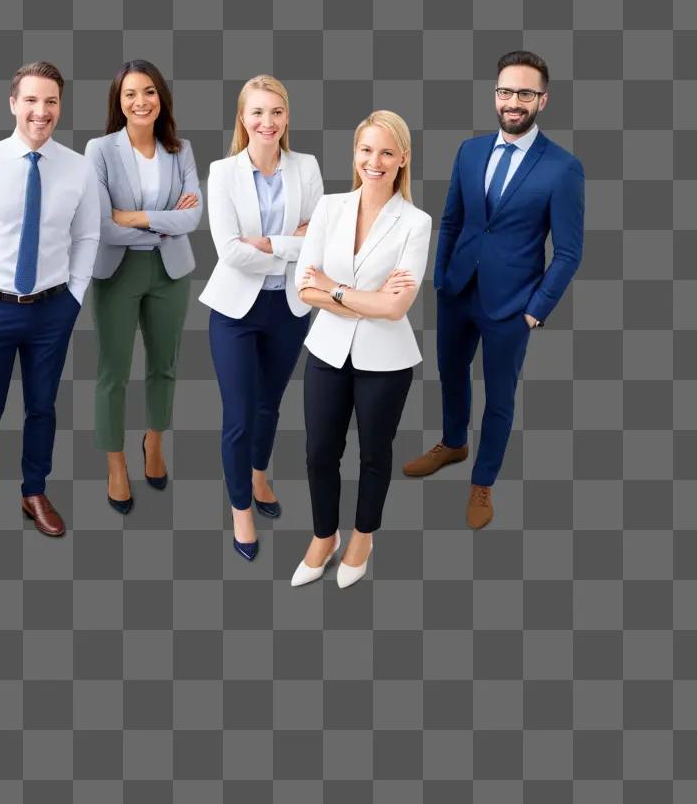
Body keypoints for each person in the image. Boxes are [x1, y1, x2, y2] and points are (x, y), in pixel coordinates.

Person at [402, 50, 585, 529]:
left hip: (513, 305)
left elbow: (568, 252)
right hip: (457, 292)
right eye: (506, 91)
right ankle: (454, 443)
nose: (513, 101)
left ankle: (483, 481)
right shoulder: (470, 150)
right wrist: (440, 279)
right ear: (495, 96)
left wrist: (535, 310)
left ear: (542, 100)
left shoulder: (563, 168)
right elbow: (452, 219)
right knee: (452, 374)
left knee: (500, 397)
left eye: (525, 92)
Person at [0, 62, 100, 555]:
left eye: (51, 101)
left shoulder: (78, 168)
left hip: (52, 311)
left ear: (60, 107)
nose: (41, 111)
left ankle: (34, 493)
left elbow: (87, 234)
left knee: (42, 408)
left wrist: (74, 297)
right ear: (13, 103)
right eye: (31, 100)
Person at [292, 111, 431, 587]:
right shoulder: (329, 208)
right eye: (367, 150)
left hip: (387, 362)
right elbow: (302, 288)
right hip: (327, 353)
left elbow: (398, 308)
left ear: (403, 159)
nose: (375, 161)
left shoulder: (416, 222)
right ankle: (323, 536)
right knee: (317, 453)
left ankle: (362, 536)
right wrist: (363, 300)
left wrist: (334, 290)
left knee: (374, 453)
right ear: (355, 153)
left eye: (387, 152)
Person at [199, 75, 323, 561]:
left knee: (270, 405)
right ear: (243, 119)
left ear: (287, 117)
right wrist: (292, 245)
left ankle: (257, 474)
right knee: (238, 414)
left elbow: (320, 243)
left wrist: (270, 244)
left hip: (289, 308)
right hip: (235, 311)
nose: (266, 122)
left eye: (275, 112)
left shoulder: (306, 167)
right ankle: (241, 509)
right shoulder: (223, 172)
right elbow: (229, 253)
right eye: (257, 113)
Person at [84, 61, 202, 514]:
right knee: (113, 371)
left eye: (149, 92)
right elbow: (102, 227)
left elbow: (193, 218)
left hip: (170, 272)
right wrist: (165, 223)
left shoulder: (180, 149)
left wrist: (133, 217)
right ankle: (116, 462)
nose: (141, 102)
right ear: (118, 100)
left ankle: (153, 442)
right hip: (117, 272)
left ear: (161, 98)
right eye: (130, 93)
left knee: (164, 365)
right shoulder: (100, 150)